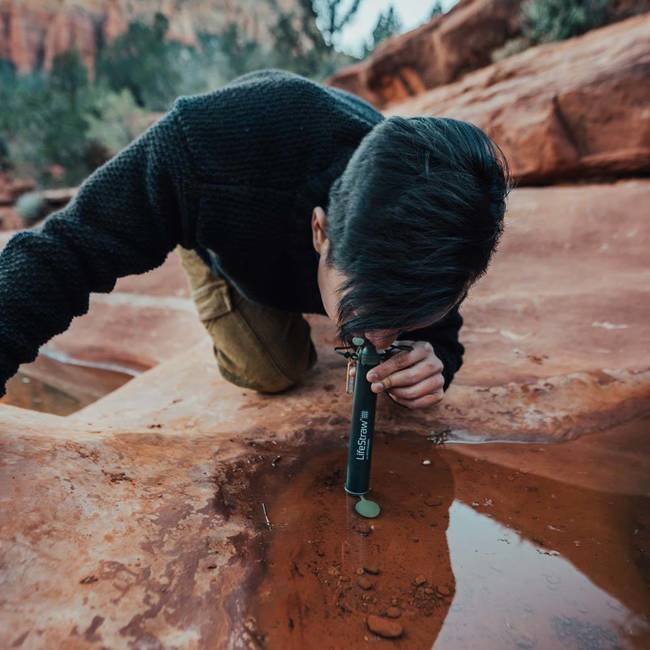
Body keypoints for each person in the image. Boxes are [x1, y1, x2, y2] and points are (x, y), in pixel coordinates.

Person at [0, 69, 510, 409]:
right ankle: (201, 253)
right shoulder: (200, 149)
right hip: (227, 214)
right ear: (321, 230)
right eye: (368, 317)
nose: (377, 346)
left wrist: (435, 355)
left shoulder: (428, 211)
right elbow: (61, 250)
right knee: (272, 370)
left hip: (315, 174)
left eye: (398, 322)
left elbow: (441, 314)